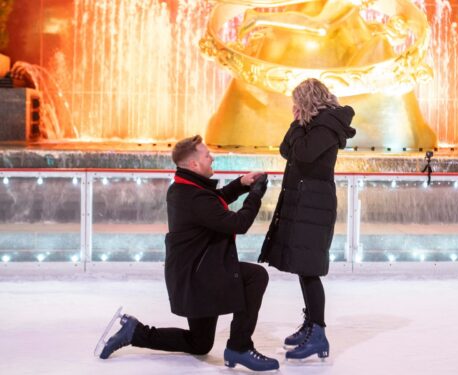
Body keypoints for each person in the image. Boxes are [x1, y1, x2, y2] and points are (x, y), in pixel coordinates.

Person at [97, 135, 278, 372]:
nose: (212, 157)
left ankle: (135, 332)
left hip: (194, 274)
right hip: (199, 278)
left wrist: (241, 184)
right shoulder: (193, 196)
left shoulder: (184, 188)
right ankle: (239, 347)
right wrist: (255, 194)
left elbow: (214, 203)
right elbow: (237, 224)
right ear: (193, 164)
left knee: (200, 343)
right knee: (256, 276)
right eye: (206, 155)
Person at [258, 78, 356, 360]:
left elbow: (302, 153)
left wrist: (297, 123)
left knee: (310, 269)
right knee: (304, 266)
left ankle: (319, 333)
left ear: (306, 101)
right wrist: (298, 124)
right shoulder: (315, 126)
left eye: (297, 104)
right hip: (306, 202)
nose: (294, 109)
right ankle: (311, 324)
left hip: (314, 204)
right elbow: (285, 150)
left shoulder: (326, 125)